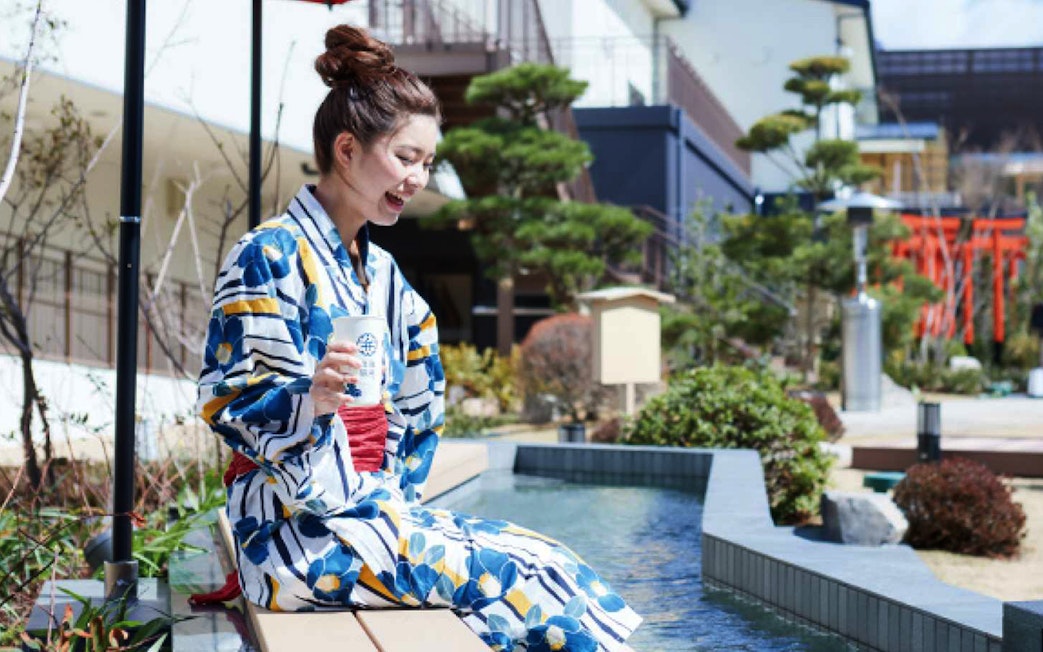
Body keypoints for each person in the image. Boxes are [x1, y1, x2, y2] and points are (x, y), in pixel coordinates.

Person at [196, 24, 641, 652]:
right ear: (347, 150)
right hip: (290, 534)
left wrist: (389, 500)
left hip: (366, 517)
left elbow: (418, 400)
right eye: (406, 157)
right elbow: (228, 398)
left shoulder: (383, 274)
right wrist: (311, 396)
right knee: (520, 576)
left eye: (428, 163)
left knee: (550, 561)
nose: (417, 178)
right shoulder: (267, 254)